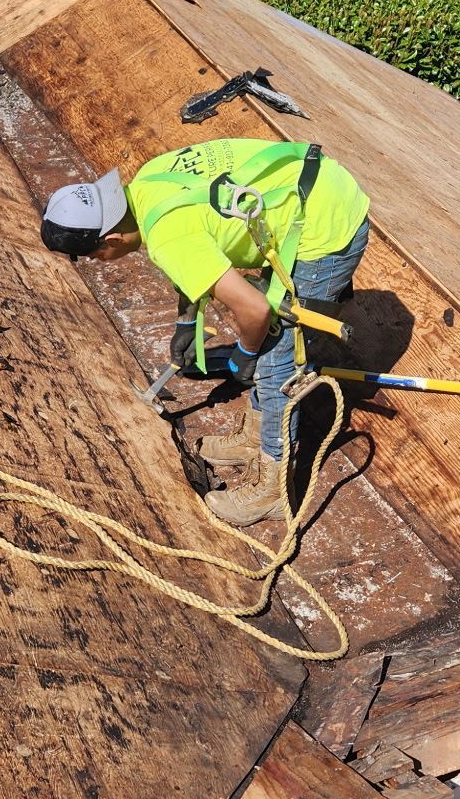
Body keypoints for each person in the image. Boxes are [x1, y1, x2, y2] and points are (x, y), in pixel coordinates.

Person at [40, 137, 370, 527]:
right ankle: (254, 439)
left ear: (111, 239)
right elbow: (197, 242)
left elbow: (255, 308)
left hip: (326, 225)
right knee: (267, 343)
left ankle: (274, 489)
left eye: (95, 255)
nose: (101, 262)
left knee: (278, 358)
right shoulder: (148, 182)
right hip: (300, 194)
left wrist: (246, 354)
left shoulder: (167, 239)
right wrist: (186, 320)